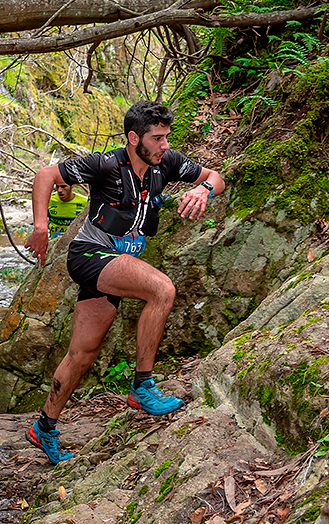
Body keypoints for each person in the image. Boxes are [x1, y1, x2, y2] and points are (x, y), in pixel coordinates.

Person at [22, 100, 225, 464]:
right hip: (88, 255)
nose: (165, 145)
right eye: (157, 138)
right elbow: (46, 176)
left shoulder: (168, 163)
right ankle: (142, 387)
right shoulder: (105, 164)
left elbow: (216, 178)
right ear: (134, 138)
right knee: (162, 289)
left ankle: (44, 427)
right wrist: (40, 227)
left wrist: (203, 190)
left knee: (81, 354)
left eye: (167, 137)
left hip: (114, 265)